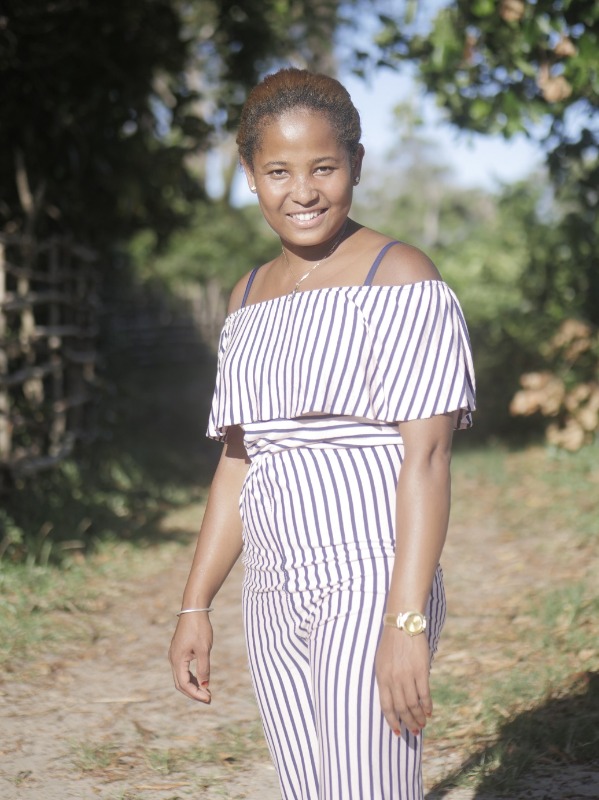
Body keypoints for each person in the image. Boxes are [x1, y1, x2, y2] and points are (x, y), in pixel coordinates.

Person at [169, 67, 476, 800]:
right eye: (278, 171)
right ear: (250, 176)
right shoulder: (246, 299)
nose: (302, 192)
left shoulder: (401, 279)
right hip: (271, 587)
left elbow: (427, 459)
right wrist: (194, 606)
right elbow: (239, 463)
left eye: (323, 168)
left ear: (356, 166)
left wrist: (404, 620)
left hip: (371, 577)